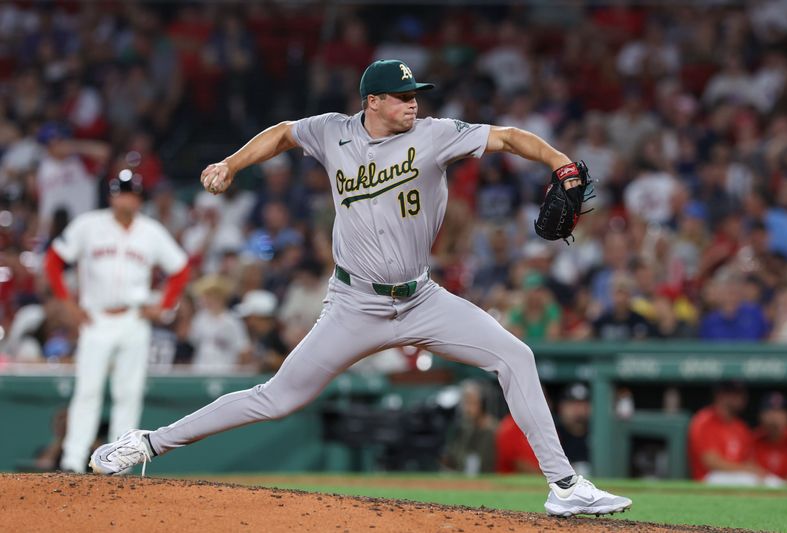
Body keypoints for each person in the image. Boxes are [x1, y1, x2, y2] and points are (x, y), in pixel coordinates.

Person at [90, 59, 631, 517]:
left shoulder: (436, 135)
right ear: (372, 101)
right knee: (277, 398)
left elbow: (510, 137)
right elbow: (281, 132)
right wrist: (231, 164)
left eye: (415, 95)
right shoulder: (332, 131)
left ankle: (565, 488)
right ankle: (147, 444)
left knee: (515, 356)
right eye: (401, 97)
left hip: (421, 299)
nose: (413, 103)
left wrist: (560, 163)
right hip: (353, 303)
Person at [43, 169, 190, 473]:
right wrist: (66, 303)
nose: (126, 198)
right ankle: (72, 461)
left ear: (138, 199)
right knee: (88, 391)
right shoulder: (89, 225)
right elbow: (53, 260)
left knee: (129, 393)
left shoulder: (151, 231)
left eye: (132, 193)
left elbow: (180, 268)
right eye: (121, 192)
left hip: (134, 319)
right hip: (95, 319)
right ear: (111, 196)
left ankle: (118, 464)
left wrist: (163, 306)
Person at [687, 381, 765, 485]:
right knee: (749, 480)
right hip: (709, 478)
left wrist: (755, 471)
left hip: (738, 475)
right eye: (734, 393)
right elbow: (711, 462)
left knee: (773, 482)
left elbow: (748, 460)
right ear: (720, 395)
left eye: (741, 393)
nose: (739, 397)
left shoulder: (740, 427)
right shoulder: (705, 421)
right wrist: (745, 469)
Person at [440, 380, 497, 475]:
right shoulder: (463, 427)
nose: (467, 409)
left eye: (472, 403)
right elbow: (453, 458)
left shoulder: (491, 430)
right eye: (465, 403)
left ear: (483, 404)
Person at [753, 392, 787, 483]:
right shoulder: (754, 439)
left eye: (780, 412)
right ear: (761, 415)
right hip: (762, 489)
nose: (774, 417)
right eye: (770, 411)